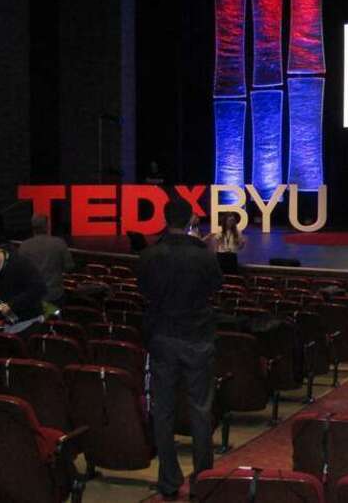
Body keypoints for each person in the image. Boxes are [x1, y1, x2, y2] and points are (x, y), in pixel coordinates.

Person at [138, 199, 223, 500]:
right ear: (190, 219)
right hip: (197, 338)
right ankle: (203, 479)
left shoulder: (149, 255)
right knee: (200, 409)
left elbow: (144, 291)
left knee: (163, 411)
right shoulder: (204, 257)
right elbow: (216, 287)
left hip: (162, 338)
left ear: (165, 218)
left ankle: (169, 480)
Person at [19, 214, 74, 306]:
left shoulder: (24, 246)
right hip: (54, 295)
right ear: (47, 226)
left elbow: (21, 270)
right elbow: (69, 267)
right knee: (55, 318)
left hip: (34, 296)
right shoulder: (58, 243)